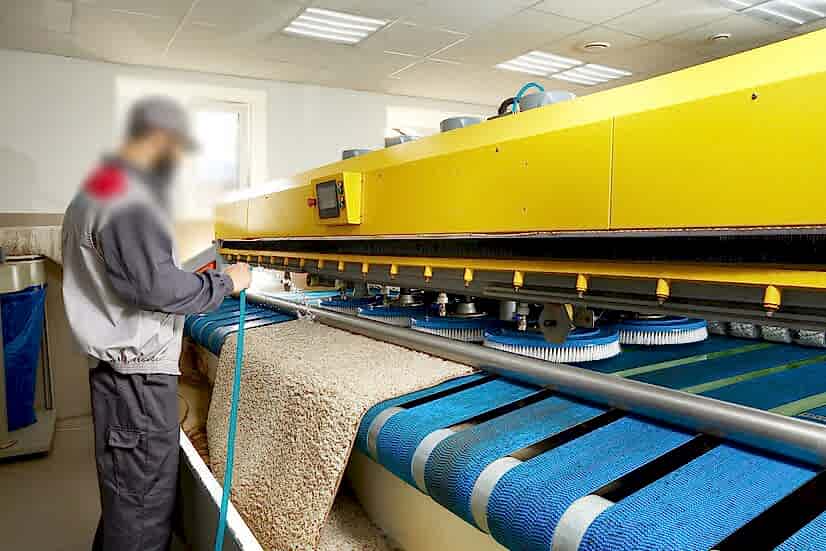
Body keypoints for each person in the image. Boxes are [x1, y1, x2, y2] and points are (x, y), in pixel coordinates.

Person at [61, 96, 251, 551]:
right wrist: (227, 282)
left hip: (120, 376)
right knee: (142, 509)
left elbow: (135, 275)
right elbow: (155, 287)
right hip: (138, 382)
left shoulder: (99, 188)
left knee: (127, 498)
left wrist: (189, 281)